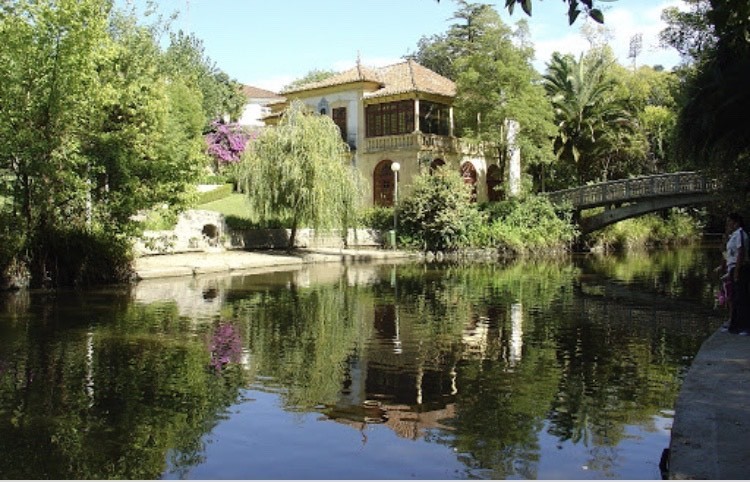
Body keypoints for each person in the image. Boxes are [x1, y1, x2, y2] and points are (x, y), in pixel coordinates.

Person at [721, 212, 750, 335]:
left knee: (741, 298)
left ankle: (745, 327)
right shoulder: (733, 235)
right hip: (732, 268)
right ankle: (735, 325)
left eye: (729, 222)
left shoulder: (740, 234)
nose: (728, 224)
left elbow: (741, 253)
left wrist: (737, 271)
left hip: (740, 269)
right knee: (734, 297)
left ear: (736, 222)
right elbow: (728, 254)